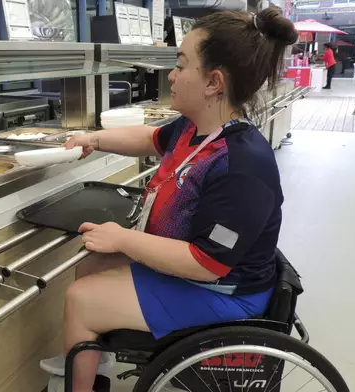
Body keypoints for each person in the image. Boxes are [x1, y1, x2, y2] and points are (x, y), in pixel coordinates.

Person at [40, 7, 297, 392]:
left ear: (213, 82)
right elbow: (149, 139)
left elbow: (207, 263)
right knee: (92, 266)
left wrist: (124, 239)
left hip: (226, 292)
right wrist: (93, 139)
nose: (171, 76)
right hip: (202, 271)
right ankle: (94, 362)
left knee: (82, 297)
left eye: (181, 64)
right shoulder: (196, 129)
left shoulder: (242, 165)